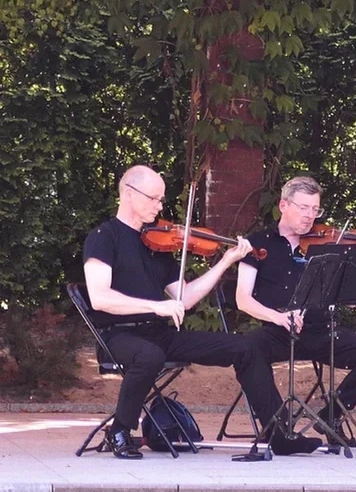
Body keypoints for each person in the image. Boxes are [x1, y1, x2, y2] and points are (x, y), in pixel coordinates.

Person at [82, 165, 321, 459]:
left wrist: (226, 261)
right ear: (130, 195)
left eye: (161, 199)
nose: (160, 206)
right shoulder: (104, 237)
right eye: (154, 199)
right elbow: (99, 298)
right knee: (149, 355)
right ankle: (119, 430)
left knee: (246, 346)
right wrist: (156, 307)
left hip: (159, 333)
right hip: (118, 336)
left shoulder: (156, 244)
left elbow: (185, 297)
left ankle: (279, 434)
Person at [235, 176, 356, 446]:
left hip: (321, 331)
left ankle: (331, 416)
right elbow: (243, 300)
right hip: (277, 330)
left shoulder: (326, 245)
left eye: (315, 209)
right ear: (283, 204)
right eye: (304, 208)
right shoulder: (258, 244)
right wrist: (279, 317)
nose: (310, 216)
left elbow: (350, 300)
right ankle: (279, 430)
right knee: (248, 351)